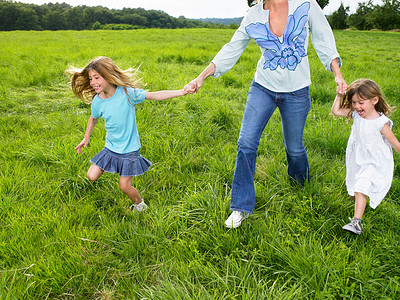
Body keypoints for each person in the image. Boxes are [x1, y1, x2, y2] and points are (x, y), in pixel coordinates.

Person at [185, 0, 347, 228]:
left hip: (297, 90)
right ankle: (241, 207)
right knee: (246, 143)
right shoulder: (253, 14)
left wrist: (337, 74)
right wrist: (201, 76)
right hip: (263, 87)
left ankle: (302, 190)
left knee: (294, 147)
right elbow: (233, 47)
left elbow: (324, 39)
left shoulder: (307, 5)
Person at [66, 56, 192, 214]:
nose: (92, 82)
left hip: (129, 149)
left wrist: (182, 92)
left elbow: (155, 95)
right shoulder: (98, 101)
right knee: (91, 176)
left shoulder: (127, 94)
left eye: (96, 77)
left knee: (124, 186)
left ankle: (140, 204)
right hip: (111, 147)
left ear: (108, 75)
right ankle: (114, 166)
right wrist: (86, 138)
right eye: (90, 78)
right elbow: (93, 118)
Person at [331, 78, 400, 234]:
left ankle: (356, 223)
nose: (356, 106)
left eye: (361, 102)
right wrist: (340, 96)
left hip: (375, 161)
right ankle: (357, 201)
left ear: (374, 100)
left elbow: (395, 143)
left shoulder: (381, 123)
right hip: (357, 157)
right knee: (356, 184)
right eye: (354, 102)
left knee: (361, 185)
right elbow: (336, 111)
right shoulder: (356, 114)